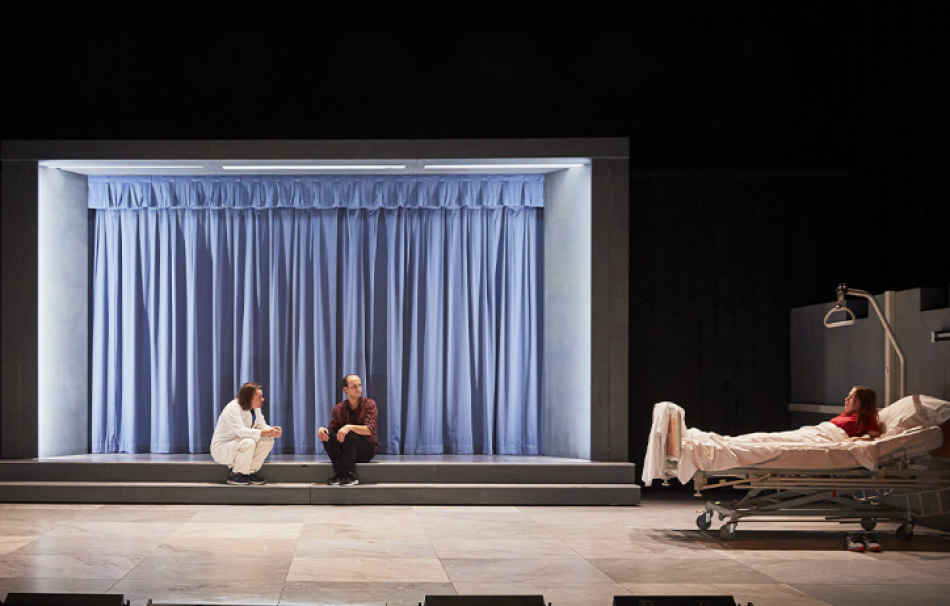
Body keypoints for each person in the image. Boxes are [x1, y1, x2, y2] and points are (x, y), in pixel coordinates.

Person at [211, 382, 282, 485]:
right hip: (222, 448)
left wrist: (272, 431)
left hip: (239, 442)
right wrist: (267, 432)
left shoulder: (255, 408)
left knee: (267, 440)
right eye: (259, 397)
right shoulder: (232, 408)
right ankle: (236, 474)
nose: (262, 399)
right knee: (248, 442)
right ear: (249, 398)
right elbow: (241, 432)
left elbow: (261, 424)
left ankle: (249, 472)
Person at [318, 374, 378, 486]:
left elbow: (369, 430)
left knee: (349, 433)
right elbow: (333, 430)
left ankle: (351, 475)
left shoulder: (369, 404)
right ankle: (340, 473)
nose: (358, 388)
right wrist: (323, 431)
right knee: (327, 436)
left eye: (359, 385)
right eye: (354, 386)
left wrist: (349, 427)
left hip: (365, 449)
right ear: (346, 389)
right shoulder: (339, 408)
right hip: (346, 450)